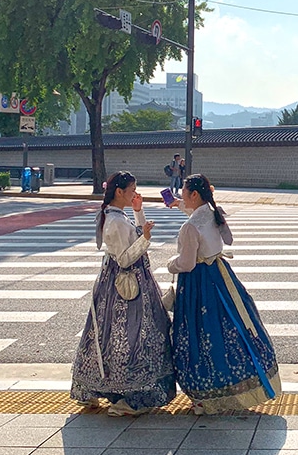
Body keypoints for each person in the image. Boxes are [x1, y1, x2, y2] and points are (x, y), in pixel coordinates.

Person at [166, 173, 280, 413]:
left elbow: (186, 264)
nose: (181, 197)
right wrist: (181, 208)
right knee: (234, 328)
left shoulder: (190, 228)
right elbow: (227, 239)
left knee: (199, 335)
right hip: (221, 275)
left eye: (183, 193)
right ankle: (246, 382)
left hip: (198, 282)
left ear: (194, 195)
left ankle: (205, 395)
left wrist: (170, 264)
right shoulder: (214, 213)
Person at [71, 170, 176, 416]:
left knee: (111, 334)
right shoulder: (115, 221)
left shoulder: (116, 214)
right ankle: (128, 395)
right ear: (119, 192)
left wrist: (139, 212)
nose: (135, 194)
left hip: (123, 283)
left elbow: (133, 238)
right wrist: (146, 238)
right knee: (130, 335)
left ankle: (103, 388)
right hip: (125, 286)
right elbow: (125, 259)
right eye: (132, 191)